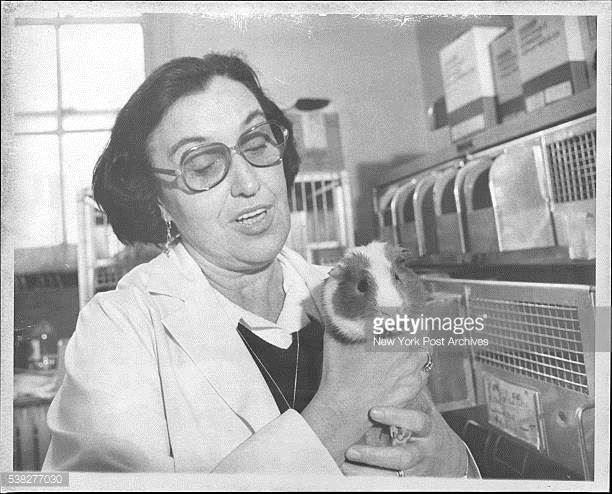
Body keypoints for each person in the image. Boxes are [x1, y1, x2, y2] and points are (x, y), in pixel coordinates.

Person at [42, 53, 479, 477]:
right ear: (159, 203)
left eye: (256, 143)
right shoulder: (119, 330)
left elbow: (430, 448)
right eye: (203, 165)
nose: (249, 183)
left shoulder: (349, 296)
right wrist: (336, 413)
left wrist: (447, 463)